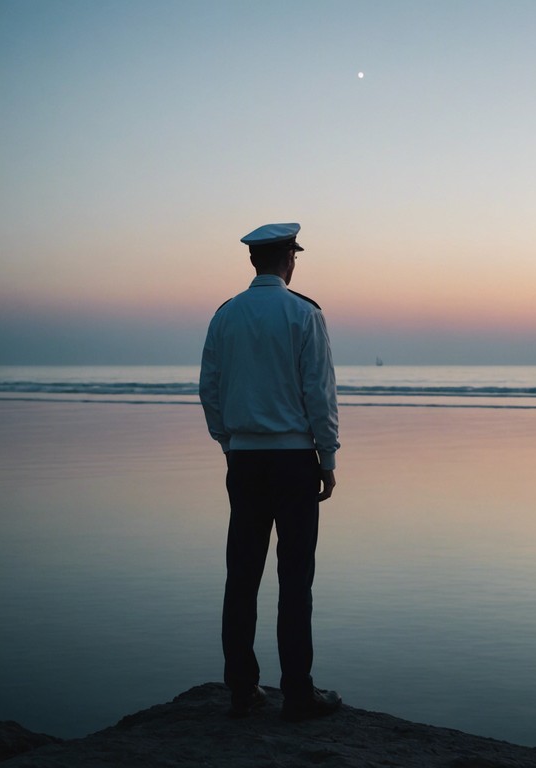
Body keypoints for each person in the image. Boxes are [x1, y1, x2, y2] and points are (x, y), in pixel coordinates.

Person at [199, 222, 341, 722]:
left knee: (242, 575)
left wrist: (229, 443)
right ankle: (297, 692)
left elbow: (209, 389)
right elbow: (318, 394)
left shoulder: (225, 315)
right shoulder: (304, 313)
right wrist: (328, 457)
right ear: (290, 260)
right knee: (294, 578)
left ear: (252, 261)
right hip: (293, 460)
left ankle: (242, 688)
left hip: (246, 459)